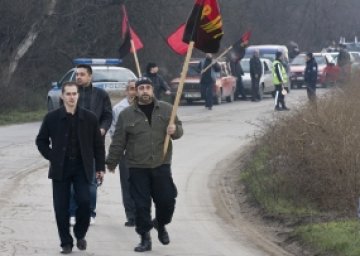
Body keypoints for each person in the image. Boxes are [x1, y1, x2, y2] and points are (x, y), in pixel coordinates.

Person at [106, 77, 183, 252]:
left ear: (152, 90)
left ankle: (160, 224)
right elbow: (118, 141)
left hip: (160, 164)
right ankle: (144, 238)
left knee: (167, 201)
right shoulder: (126, 115)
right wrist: (111, 162)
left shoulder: (166, 109)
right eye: (141, 88)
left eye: (148, 88)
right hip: (137, 167)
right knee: (141, 206)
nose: (145, 91)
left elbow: (179, 130)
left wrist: (174, 130)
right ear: (136, 92)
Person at [35, 82, 105, 254]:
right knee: (61, 207)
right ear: (62, 96)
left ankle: (80, 234)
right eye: (68, 94)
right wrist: (52, 156)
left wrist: (100, 167)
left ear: (78, 96)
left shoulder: (90, 118)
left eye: (74, 94)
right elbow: (41, 141)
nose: (71, 97)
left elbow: (98, 145)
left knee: (84, 201)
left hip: (82, 167)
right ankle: (66, 242)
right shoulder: (51, 118)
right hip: (61, 168)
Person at [69, 64, 112, 226]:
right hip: (73, 144)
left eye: (81, 74)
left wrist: (102, 129)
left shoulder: (101, 95)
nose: (78, 77)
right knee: (73, 181)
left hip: (94, 145)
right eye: (77, 74)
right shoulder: (71, 94)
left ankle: (90, 213)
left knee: (91, 181)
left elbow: (108, 115)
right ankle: (73, 212)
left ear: (90, 76)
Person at [109, 79, 137, 227]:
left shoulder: (148, 107)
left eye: (136, 88)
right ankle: (131, 215)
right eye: (131, 89)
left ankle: (142, 214)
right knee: (127, 184)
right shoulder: (119, 109)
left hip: (143, 154)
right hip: (126, 153)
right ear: (127, 91)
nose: (134, 91)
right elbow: (113, 131)